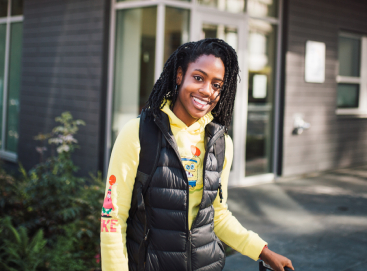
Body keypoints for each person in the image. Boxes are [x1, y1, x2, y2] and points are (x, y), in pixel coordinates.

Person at [101, 39, 294, 271]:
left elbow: (218, 216)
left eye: (217, 85)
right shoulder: (138, 133)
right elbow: (112, 217)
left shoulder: (221, 143)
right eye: (199, 78)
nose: (207, 91)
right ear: (180, 75)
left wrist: (264, 252)